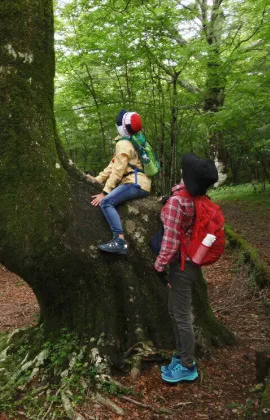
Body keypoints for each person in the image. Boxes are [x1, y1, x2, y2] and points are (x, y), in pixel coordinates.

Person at [153, 153, 219, 384]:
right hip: (189, 262)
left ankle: (187, 365)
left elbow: (170, 241)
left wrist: (159, 265)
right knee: (174, 311)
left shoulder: (177, 203)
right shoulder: (194, 196)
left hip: (180, 265)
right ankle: (180, 355)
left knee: (181, 316)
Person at [87, 110, 152, 254]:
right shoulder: (135, 140)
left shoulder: (123, 144)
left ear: (122, 127)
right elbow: (113, 165)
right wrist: (97, 179)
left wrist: (105, 192)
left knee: (106, 202)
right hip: (142, 182)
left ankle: (119, 240)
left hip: (134, 182)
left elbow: (118, 170)